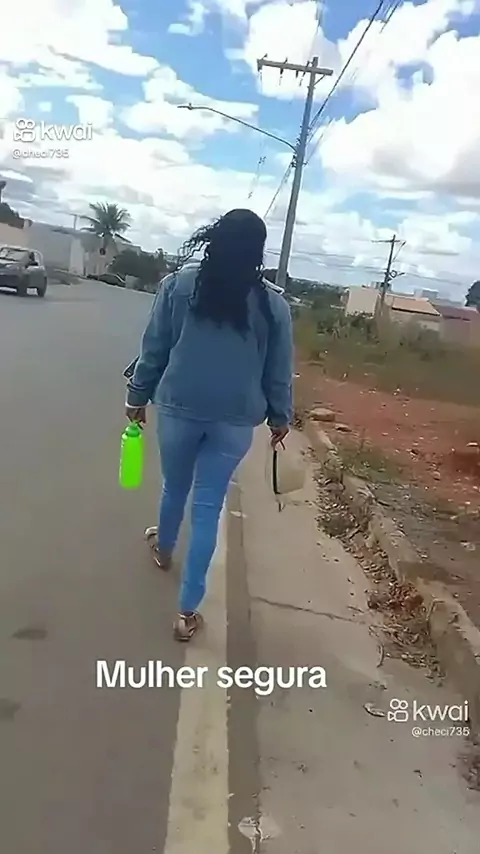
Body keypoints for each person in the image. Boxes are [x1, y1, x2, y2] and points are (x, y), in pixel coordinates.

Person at [125, 209, 293, 641]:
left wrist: (136, 397)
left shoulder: (178, 286)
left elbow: (154, 349)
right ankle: (187, 612)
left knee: (174, 486)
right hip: (235, 419)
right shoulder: (274, 305)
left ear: (214, 239)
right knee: (207, 507)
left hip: (179, 405)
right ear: (258, 252)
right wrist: (280, 416)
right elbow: (278, 371)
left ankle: (164, 549)